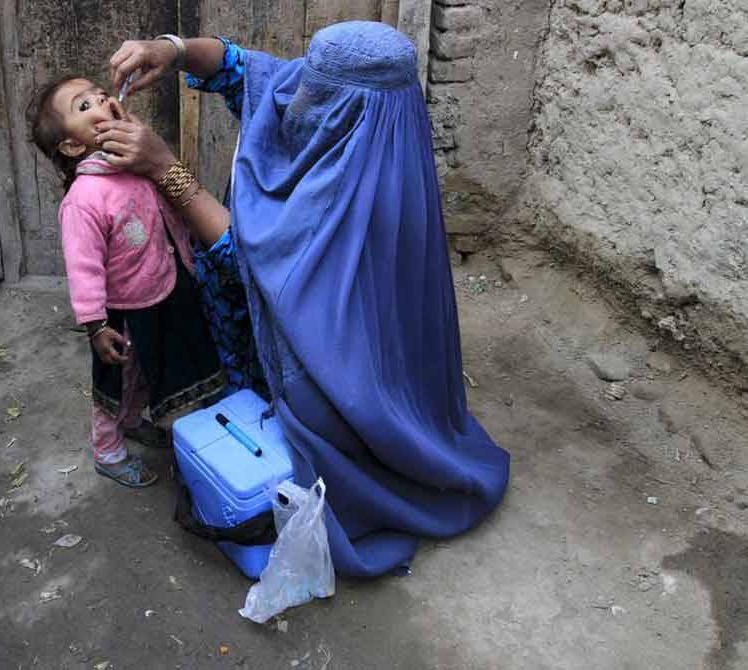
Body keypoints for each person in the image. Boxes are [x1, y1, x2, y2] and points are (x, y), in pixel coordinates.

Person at [99, 22, 510, 576]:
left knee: (315, 414)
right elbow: (250, 71)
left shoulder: (356, 190)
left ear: (345, 109)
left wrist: (163, 168)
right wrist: (170, 52)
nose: (300, 95)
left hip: (339, 364)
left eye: (318, 88)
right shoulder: (351, 114)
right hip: (330, 335)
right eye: (306, 74)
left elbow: (248, 256)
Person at [27, 77, 227, 488]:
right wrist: (96, 324)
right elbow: (83, 269)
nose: (101, 99)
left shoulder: (136, 166)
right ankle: (107, 451)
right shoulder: (85, 198)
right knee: (117, 383)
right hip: (122, 314)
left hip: (162, 291)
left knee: (146, 372)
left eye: (101, 94)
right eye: (84, 106)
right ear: (72, 146)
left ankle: (134, 421)